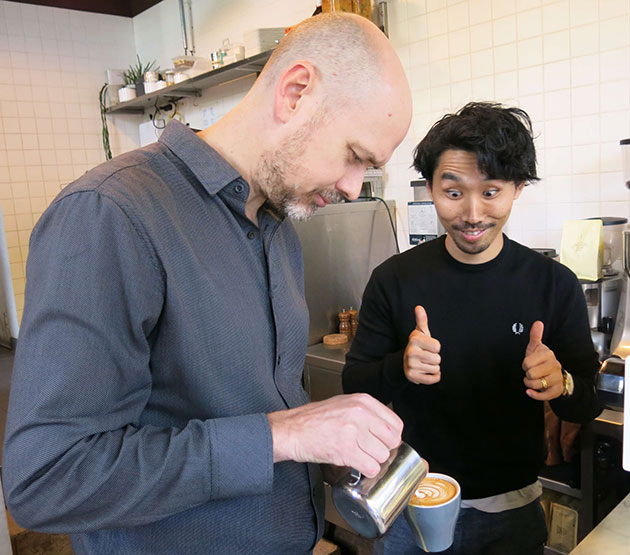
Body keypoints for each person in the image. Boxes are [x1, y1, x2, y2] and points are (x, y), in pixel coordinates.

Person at [2, 13, 412, 555]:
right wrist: (282, 436)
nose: (353, 187)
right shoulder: (111, 213)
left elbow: (257, 406)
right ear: (295, 92)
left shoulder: (280, 230)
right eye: (354, 156)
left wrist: (323, 443)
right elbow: (47, 479)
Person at [343, 102, 602, 555]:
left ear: (517, 189)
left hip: (513, 506)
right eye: (454, 191)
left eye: (491, 191)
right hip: (412, 500)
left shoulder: (552, 283)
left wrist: (560, 382)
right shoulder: (394, 279)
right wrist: (399, 366)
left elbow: (587, 403)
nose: (472, 213)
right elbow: (354, 383)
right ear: (430, 188)